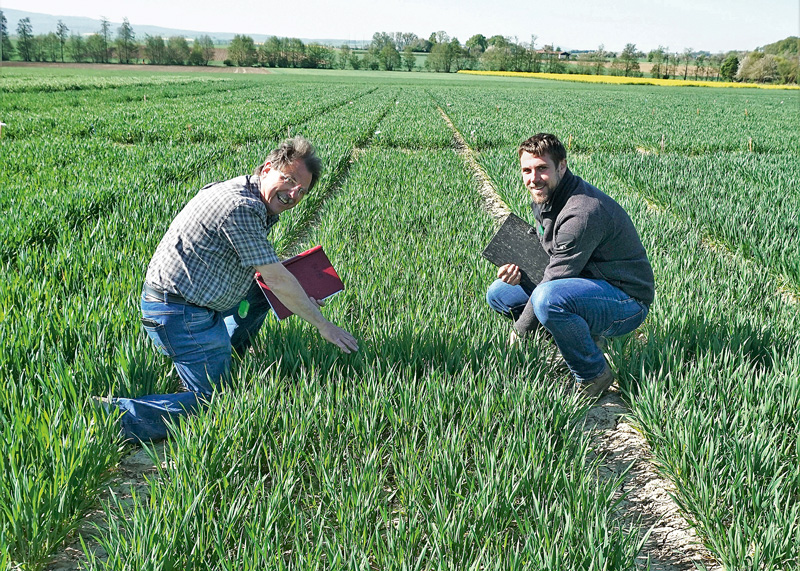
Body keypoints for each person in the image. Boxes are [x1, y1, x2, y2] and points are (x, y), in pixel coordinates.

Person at [107, 136, 359, 442]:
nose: (293, 194)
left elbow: (266, 269)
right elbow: (276, 278)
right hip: (179, 313)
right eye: (289, 180)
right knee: (209, 402)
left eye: (301, 190)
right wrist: (322, 325)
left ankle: (230, 351)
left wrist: (300, 294)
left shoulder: (247, 192)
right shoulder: (241, 207)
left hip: (194, 298)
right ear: (268, 169)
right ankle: (111, 418)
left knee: (265, 292)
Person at [486, 133, 654, 397]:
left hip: (625, 300)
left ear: (561, 166)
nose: (533, 178)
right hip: (584, 282)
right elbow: (549, 254)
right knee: (498, 293)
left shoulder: (582, 213)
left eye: (542, 168)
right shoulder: (548, 196)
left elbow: (553, 279)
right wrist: (519, 269)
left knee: (548, 299)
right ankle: (572, 338)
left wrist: (519, 334)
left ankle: (593, 374)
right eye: (527, 170)